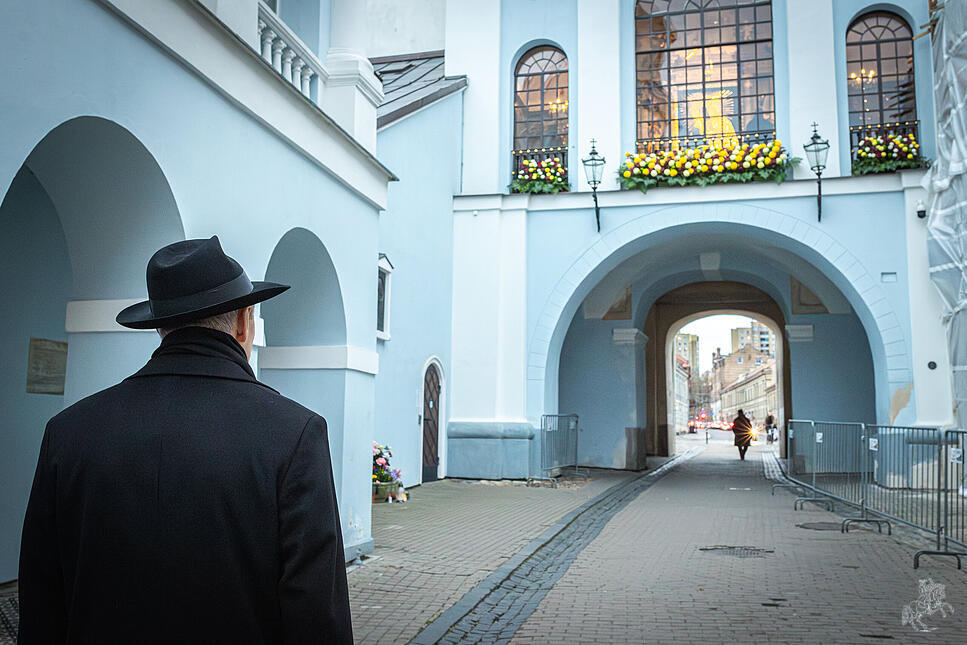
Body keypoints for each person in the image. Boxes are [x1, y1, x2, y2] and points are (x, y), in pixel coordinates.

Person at [18, 236, 353, 644]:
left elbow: (41, 604)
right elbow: (316, 615)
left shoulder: (69, 432)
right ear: (245, 322)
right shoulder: (294, 434)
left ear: (161, 326)